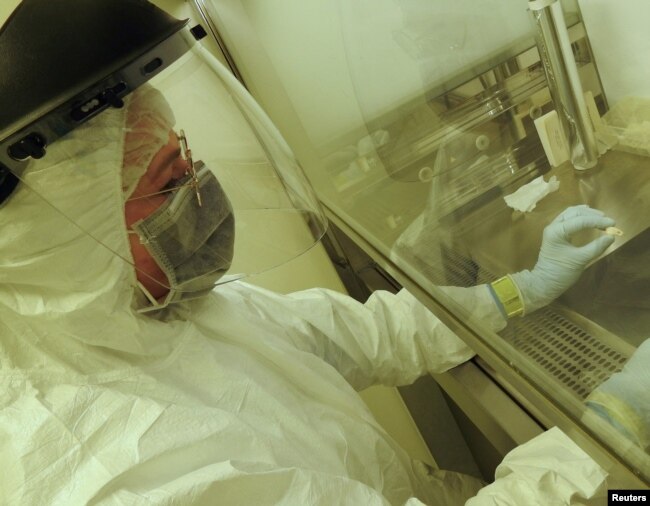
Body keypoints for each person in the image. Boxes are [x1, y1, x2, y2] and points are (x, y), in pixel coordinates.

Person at [0, 0, 614, 504]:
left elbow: (362, 335)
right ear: (68, 246)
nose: (197, 187)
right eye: (166, 181)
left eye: (186, 155)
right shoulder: (124, 477)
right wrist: (609, 439)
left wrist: (517, 291)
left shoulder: (171, 315)